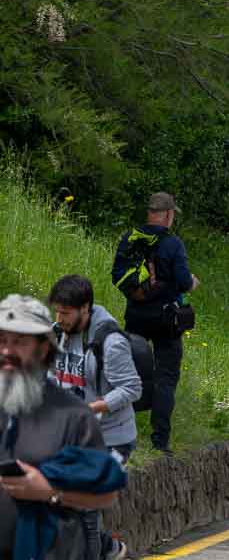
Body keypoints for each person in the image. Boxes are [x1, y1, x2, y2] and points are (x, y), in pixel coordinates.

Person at [1, 294, 126, 560]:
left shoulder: (74, 416)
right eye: (1, 341)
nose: (7, 351)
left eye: (19, 342)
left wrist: (49, 491)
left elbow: (105, 494)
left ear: (42, 349)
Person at [48, 275, 141, 560]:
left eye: (66, 313)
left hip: (113, 440)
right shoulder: (56, 335)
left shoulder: (110, 343)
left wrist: (93, 408)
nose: (59, 318)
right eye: (57, 311)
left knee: (85, 505)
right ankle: (110, 549)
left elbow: (132, 388)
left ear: (85, 308)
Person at [113, 191, 197, 455]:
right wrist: (191, 283)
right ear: (169, 214)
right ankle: (159, 441)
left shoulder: (130, 239)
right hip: (166, 319)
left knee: (127, 374)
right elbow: (184, 282)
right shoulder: (173, 244)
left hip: (136, 316)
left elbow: (117, 276)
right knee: (165, 378)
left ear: (150, 212)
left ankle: (120, 433)